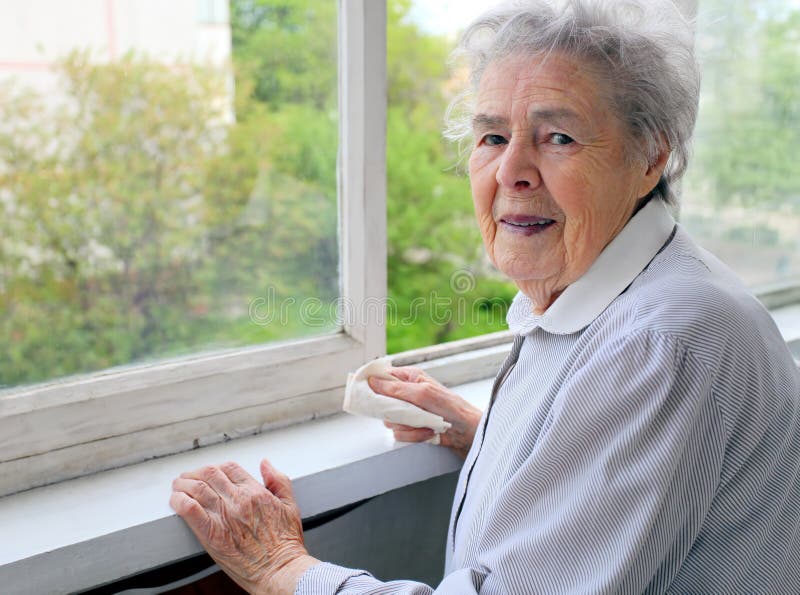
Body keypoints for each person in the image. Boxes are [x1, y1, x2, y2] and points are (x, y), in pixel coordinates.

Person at [169, 0, 800, 592]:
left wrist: (281, 567)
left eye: (559, 138)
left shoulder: (660, 342)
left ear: (649, 159)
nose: (511, 171)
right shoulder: (627, 292)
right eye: (493, 137)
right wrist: (494, 433)